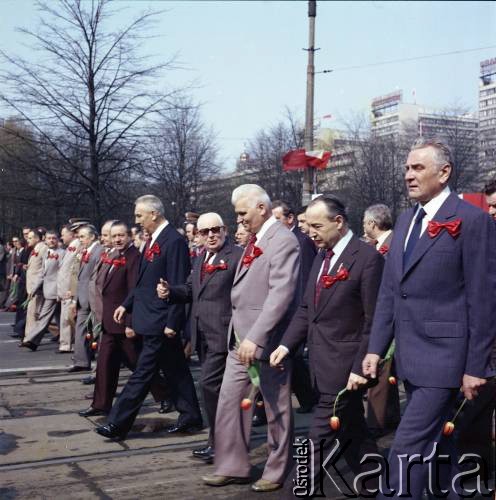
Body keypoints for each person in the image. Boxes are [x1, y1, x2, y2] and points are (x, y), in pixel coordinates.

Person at [362, 138, 496, 498]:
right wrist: (376, 348)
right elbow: (391, 292)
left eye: (418, 168)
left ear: (444, 172)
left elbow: (483, 303)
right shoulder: (405, 221)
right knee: (437, 450)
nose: (408, 175)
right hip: (410, 358)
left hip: (446, 360)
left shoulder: (473, 220)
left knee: (406, 446)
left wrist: (476, 366)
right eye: (406, 168)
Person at [270, 195, 384, 497]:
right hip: (321, 363)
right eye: (308, 226)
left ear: (339, 222)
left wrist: (361, 366)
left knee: (316, 437)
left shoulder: (367, 258)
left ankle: (298, 490)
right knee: (354, 432)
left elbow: (375, 320)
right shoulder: (321, 256)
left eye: (317, 226)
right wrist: (286, 346)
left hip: (347, 368)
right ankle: (375, 484)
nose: (311, 232)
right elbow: (308, 310)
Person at [203, 184, 299, 493]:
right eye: (237, 214)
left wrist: (256, 337)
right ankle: (233, 466)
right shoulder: (256, 239)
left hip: (267, 342)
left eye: (243, 213)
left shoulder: (283, 240)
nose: (239, 219)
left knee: (276, 408)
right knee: (229, 402)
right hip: (240, 338)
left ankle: (276, 470)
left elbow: (280, 294)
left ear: (261, 208)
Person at [95, 195, 202, 440]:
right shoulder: (153, 239)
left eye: (140, 215)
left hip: (160, 321)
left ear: (154, 214)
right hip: (149, 316)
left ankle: (118, 423)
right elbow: (144, 282)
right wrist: (127, 304)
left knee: (142, 373)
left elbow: (176, 285)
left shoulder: (173, 242)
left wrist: (172, 324)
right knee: (176, 370)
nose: (137, 220)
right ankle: (191, 416)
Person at [157, 212, 243, 464]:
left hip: (225, 334)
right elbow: (191, 289)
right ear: (198, 236)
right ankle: (218, 442)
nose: (211, 235)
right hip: (202, 333)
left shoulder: (236, 256)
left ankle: (222, 444)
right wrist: (169, 291)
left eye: (215, 230)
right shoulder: (201, 257)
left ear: (225, 230)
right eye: (205, 232)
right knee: (215, 390)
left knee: (210, 386)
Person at [79, 221, 169, 417]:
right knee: (105, 364)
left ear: (129, 236)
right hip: (110, 323)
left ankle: (165, 395)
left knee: (139, 365)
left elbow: (134, 292)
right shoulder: (114, 255)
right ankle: (101, 404)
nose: (117, 239)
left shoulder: (134, 258)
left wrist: (130, 323)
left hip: (124, 323)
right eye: (114, 236)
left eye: (121, 235)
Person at [362, 204, 401, 435]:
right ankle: (391, 415)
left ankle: (376, 422)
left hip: (391, 314)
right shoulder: (376, 246)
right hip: (382, 310)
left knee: (382, 366)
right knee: (388, 370)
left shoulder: (392, 244)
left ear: (372, 224)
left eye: (365, 223)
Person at [20, 231, 64, 350]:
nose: (51, 240)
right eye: (49, 238)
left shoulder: (62, 253)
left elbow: (62, 274)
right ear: (45, 240)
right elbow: (42, 273)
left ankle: (31, 340)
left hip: (55, 291)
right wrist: (34, 288)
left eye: (54, 238)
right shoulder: (47, 253)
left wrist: (61, 291)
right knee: (60, 318)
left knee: (44, 316)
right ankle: (67, 341)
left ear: (58, 239)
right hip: (47, 289)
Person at [68, 225, 103, 372]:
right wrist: (75, 299)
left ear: (92, 237)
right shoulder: (84, 251)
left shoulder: (99, 251)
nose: (79, 239)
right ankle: (81, 361)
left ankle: (102, 365)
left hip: (94, 298)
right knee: (80, 328)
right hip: (83, 298)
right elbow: (79, 277)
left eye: (82, 236)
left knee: (98, 332)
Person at [57, 223, 83, 353]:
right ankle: (65, 343)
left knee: (68, 319)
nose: (61, 237)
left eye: (63, 234)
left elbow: (74, 270)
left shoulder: (77, 245)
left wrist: (71, 289)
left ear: (72, 233)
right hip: (64, 289)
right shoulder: (70, 247)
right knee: (64, 319)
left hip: (69, 289)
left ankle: (68, 344)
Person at [24, 229, 48, 340]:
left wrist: (36, 286)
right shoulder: (35, 248)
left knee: (34, 312)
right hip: (32, 287)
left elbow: (43, 269)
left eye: (30, 237)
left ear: (37, 238)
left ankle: (30, 338)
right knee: (34, 312)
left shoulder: (43, 248)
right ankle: (29, 336)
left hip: (37, 287)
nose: (27, 239)